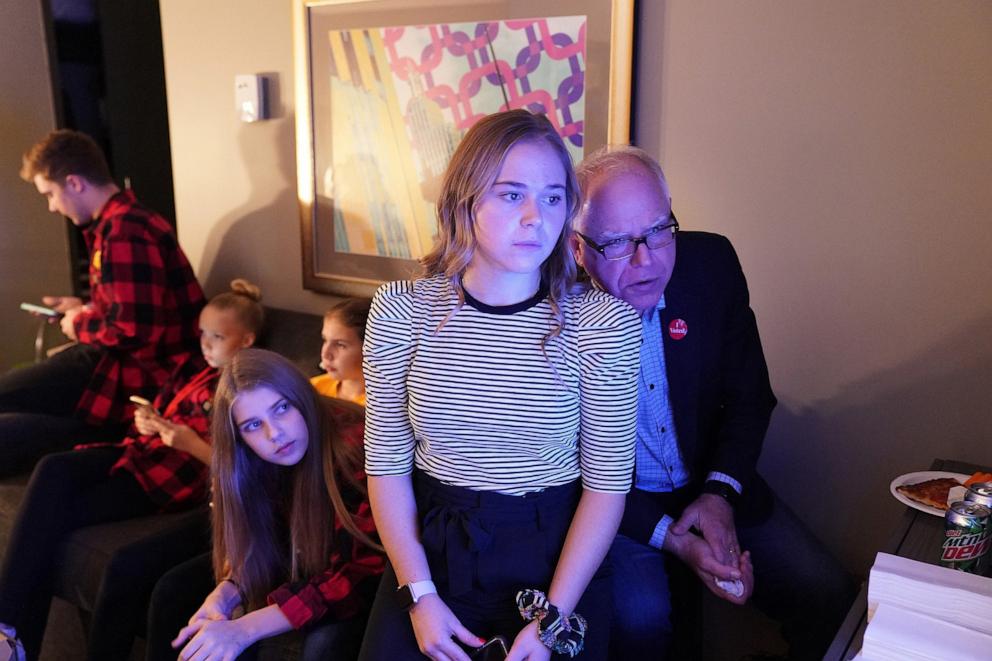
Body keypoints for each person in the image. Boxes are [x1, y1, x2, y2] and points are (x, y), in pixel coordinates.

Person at [357, 109, 641, 661]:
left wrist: (554, 618)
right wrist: (419, 596)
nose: (537, 217)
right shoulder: (400, 313)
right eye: (512, 195)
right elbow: (386, 465)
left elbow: (607, 487)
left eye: (554, 197)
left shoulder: (603, 325)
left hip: (557, 562)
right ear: (465, 199)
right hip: (429, 556)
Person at [571, 146, 856, 660]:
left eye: (659, 230)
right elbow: (567, 464)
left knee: (829, 591)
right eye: (617, 242)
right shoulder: (553, 312)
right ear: (577, 248)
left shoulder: (711, 264)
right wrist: (672, 538)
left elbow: (749, 397)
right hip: (616, 506)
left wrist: (720, 494)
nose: (646, 260)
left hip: (712, 478)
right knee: (641, 622)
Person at [0, 280, 263, 661]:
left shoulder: (246, 388)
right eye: (203, 334)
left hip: (169, 478)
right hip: (141, 454)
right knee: (53, 468)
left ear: (247, 340)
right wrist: (148, 419)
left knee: (51, 521)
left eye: (217, 336)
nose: (205, 344)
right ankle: (8, 631)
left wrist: (186, 441)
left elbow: (239, 467)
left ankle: (12, 636)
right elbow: (164, 407)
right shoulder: (195, 370)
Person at [146, 348, 384, 661]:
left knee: (325, 643)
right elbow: (262, 542)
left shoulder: (357, 448)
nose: (275, 434)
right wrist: (227, 593)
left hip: (371, 583)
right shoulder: (250, 461)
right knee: (173, 590)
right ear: (240, 438)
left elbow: (360, 575)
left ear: (302, 398)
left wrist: (246, 629)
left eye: (282, 408)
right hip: (305, 559)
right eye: (253, 425)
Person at [0, 129, 205, 474]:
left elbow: (134, 331)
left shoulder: (126, 230)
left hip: (136, 375)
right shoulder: (118, 225)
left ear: (75, 183)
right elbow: (131, 306)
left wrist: (79, 323)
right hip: (117, 365)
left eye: (50, 194)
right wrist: (84, 308)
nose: (51, 206)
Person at [311, 298, 371, 406]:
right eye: (325, 340)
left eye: (340, 344)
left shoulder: (384, 410)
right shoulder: (314, 389)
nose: (325, 354)